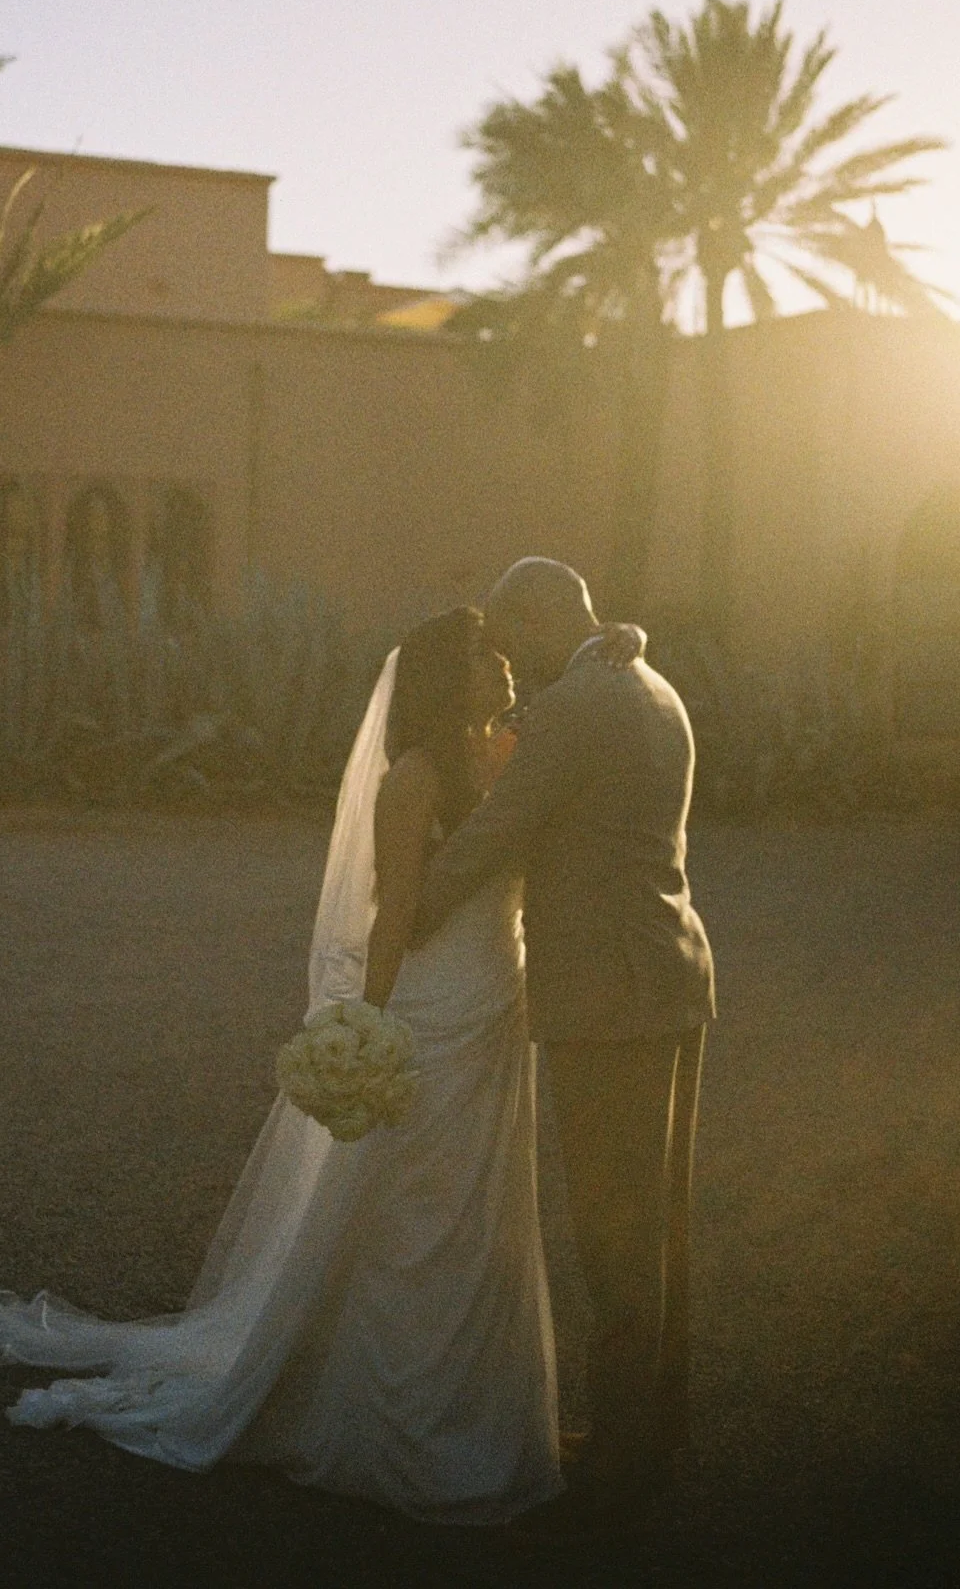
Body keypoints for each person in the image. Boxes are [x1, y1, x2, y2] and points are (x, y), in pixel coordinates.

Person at [0, 605, 641, 1525]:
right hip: (438, 1017)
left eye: (503, 653)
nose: (502, 667)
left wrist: (624, 643)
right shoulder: (412, 780)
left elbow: (577, 717)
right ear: (444, 680)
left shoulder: (502, 758)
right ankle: (396, 1421)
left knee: (484, 1220)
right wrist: (368, 1031)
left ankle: (478, 1416)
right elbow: (399, 915)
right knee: (419, 1218)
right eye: (481, 657)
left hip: (496, 1012)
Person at [412, 558, 714, 1520]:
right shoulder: (650, 684)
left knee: (613, 1228)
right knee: (654, 1222)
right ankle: (652, 1426)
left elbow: (501, 827)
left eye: (511, 642)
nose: (510, 664)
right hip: (670, 976)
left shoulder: (579, 704)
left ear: (543, 621)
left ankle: (622, 1464)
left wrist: (404, 913)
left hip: (610, 1000)